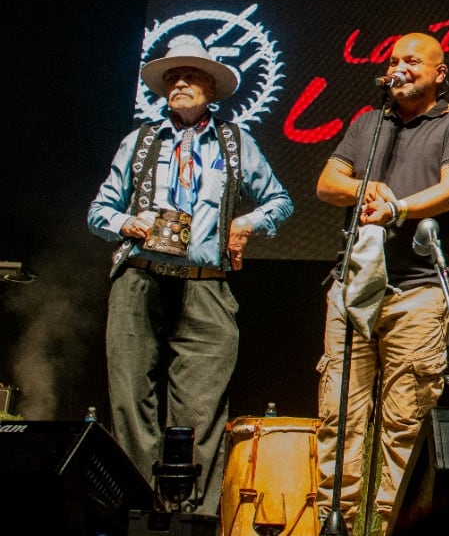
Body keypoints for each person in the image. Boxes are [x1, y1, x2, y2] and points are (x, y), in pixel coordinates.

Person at [88, 35, 294, 516]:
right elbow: (99, 210)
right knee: (130, 401)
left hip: (205, 283)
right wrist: (126, 223)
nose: (179, 82)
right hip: (139, 277)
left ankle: (190, 518)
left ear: (212, 88)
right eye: (171, 77)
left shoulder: (237, 142)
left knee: (199, 412)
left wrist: (245, 223)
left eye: (192, 74)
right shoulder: (139, 142)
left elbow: (280, 201)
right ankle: (137, 512)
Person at [315, 32, 449, 535]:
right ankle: (334, 524)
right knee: (337, 419)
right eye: (393, 60)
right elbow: (328, 183)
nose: (400, 67)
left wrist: (398, 208)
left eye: (412, 60)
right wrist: (364, 188)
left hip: (417, 291)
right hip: (352, 290)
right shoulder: (369, 122)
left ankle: (397, 527)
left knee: (405, 425)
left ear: (440, 72)